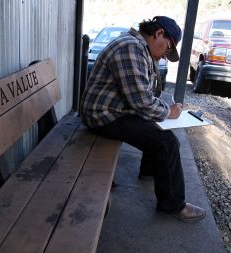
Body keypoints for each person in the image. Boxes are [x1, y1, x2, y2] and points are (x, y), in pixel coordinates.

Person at [80, 16, 206, 223]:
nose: (166, 54)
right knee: (167, 143)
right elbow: (141, 101)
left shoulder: (137, 47)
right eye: (168, 48)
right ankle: (173, 204)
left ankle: (150, 171)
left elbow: (143, 95)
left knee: (158, 128)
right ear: (158, 34)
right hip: (102, 115)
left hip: (112, 109)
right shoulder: (130, 48)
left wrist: (163, 111)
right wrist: (169, 112)